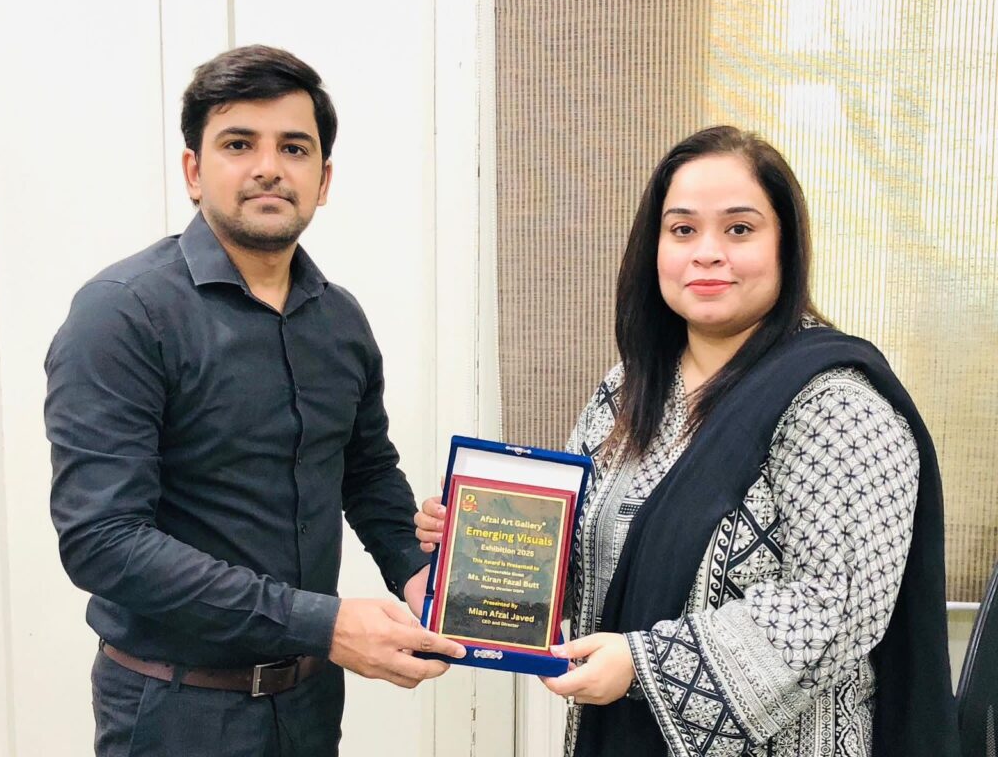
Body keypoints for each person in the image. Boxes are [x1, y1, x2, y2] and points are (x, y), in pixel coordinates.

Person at [417, 126, 959, 756]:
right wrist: (483, 544)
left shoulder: (837, 403)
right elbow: (593, 561)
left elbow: (833, 605)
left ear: (786, 245)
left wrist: (645, 665)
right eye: (682, 230)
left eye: (739, 229)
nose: (707, 253)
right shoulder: (625, 392)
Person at [46, 45, 463, 757]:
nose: (269, 167)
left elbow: (364, 471)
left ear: (323, 180)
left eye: (294, 148)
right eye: (239, 144)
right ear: (193, 170)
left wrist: (420, 571)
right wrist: (324, 623)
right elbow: (103, 542)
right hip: (175, 710)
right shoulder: (122, 314)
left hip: (309, 704)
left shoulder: (341, 320)